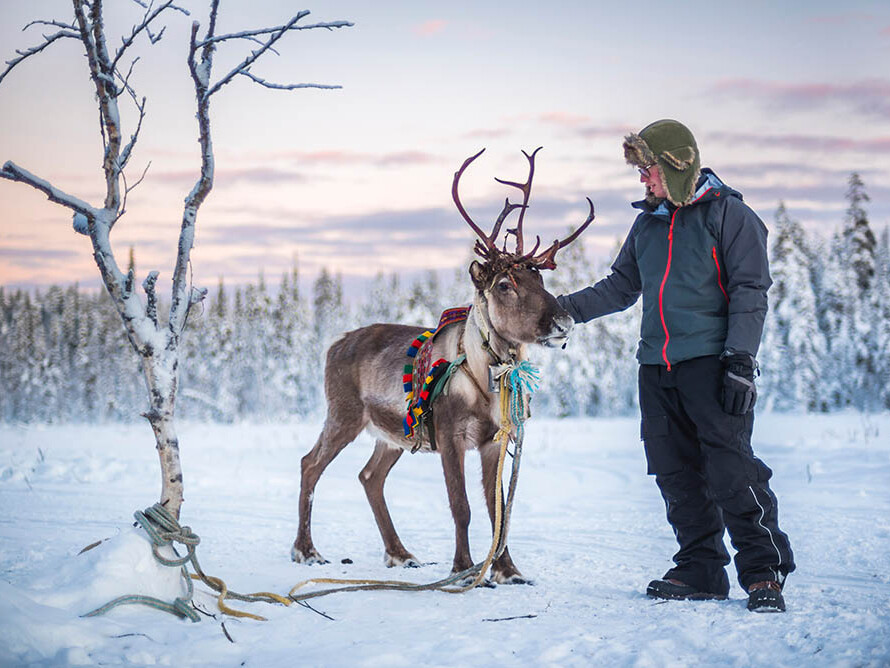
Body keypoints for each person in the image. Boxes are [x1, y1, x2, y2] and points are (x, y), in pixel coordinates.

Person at [557, 119, 795, 613]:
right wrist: (560, 311)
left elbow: (751, 290)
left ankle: (763, 571)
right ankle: (701, 568)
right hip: (656, 367)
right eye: (641, 169)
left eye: (648, 168)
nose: (642, 178)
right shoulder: (648, 224)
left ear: (676, 166)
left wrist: (740, 359)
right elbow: (620, 287)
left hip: (713, 363)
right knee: (674, 472)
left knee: (731, 469)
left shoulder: (730, 215)